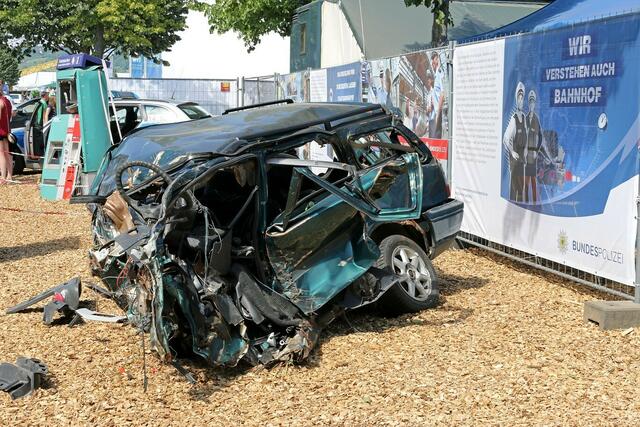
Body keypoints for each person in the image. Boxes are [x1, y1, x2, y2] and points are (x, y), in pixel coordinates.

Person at [503, 82, 527, 202]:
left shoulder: (524, 118)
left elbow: (526, 137)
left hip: (522, 160)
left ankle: (519, 208)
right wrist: (512, 152)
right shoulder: (513, 118)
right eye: (519, 98)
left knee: (521, 188)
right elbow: (506, 138)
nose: (520, 100)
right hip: (515, 161)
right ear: (516, 100)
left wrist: (526, 152)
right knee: (514, 188)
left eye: (522, 98)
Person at [524, 90, 543, 203]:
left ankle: (535, 202)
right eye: (530, 102)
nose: (531, 105)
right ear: (528, 104)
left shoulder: (536, 119)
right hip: (525, 155)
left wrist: (537, 150)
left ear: (534, 104)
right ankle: (526, 201)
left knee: (533, 179)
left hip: (533, 154)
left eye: (533, 103)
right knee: (526, 179)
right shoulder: (525, 119)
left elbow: (540, 136)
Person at [430, 52, 445, 139]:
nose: (433, 62)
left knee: (436, 138)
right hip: (435, 113)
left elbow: (442, 94)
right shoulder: (436, 76)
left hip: (438, 113)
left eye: (435, 59)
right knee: (434, 138)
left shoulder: (440, 73)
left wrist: (438, 114)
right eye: (432, 59)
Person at [0, 88, 13, 183]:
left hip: (1, 131)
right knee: (7, 153)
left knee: (1, 154)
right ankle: (9, 176)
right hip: (7, 131)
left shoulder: (0, 102)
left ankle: (3, 177)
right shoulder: (7, 101)